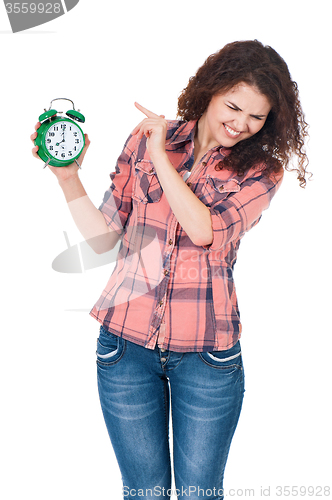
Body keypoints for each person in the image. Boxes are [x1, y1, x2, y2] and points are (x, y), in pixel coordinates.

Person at [31, 40, 309, 500]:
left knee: (200, 493)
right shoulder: (146, 139)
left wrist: (162, 156)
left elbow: (204, 230)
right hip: (124, 350)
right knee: (144, 493)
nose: (241, 124)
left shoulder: (262, 170)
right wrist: (67, 177)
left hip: (206, 359)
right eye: (234, 107)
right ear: (212, 91)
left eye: (256, 117)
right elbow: (103, 239)